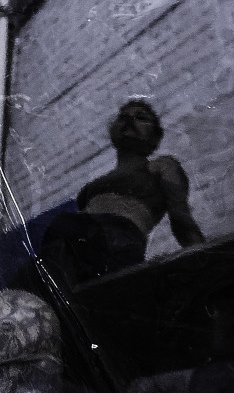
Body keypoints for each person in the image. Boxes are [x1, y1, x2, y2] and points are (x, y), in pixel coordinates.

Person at [40, 99, 205, 283]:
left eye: (141, 117)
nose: (129, 120)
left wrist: (205, 260)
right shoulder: (91, 188)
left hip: (121, 242)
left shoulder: (162, 167)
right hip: (79, 245)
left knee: (65, 226)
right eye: (123, 117)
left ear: (155, 136)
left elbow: (181, 218)